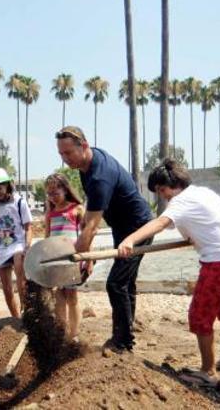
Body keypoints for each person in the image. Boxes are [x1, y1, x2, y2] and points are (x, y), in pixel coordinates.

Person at [117, 159, 220, 387]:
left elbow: (159, 223)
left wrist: (129, 239)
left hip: (218, 260)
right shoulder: (202, 192)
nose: (162, 196)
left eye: (160, 190)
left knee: (199, 315)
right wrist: (197, 228)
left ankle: (208, 371)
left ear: (165, 186)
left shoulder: (181, 201)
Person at [56, 126, 153, 352]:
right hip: (121, 226)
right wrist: (85, 251)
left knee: (116, 283)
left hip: (138, 227)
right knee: (125, 281)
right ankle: (125, 332)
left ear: (84, 146)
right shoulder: (84, 165)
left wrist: (80, 259)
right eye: (61, 154)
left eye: (68, 153)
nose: (65, 159)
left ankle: (122, 342)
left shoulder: (100, 175)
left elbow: (91, 226)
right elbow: (90, 213)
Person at [43, 173, 91, 342]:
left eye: (56, 193)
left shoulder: (76, 209)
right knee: (59, 296)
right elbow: (47, 239)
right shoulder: (50, 214)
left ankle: (74, 333)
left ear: (65, 189)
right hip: (56, 260)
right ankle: (62, 331)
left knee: (72, 295)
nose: (52, 197)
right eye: (49, 194)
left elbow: (87, 236)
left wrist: (89, 259)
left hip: (72, 260)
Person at [0, 168, 31, 318]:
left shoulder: (20, 202)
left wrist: (27, 246)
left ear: (7, 185)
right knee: (6, 289)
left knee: (21, 279)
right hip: (1, 248)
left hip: (18, 245)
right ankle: (15, 319)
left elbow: (28, 227)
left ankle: (26, 314)